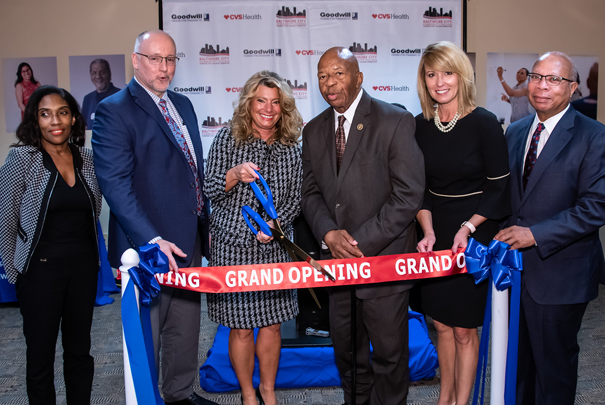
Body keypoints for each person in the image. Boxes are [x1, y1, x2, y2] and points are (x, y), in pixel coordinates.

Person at [92, 31, 215, 405]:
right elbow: (115, 185)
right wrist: (150, 239)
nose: (164, 68)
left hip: (188, 238)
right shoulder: (114, 110)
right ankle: (146, 398)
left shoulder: (184, 105)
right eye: (155, 59)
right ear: (135, 60)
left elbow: (194, 170)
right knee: (149, 331)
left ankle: (179, 394)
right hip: (146, 248)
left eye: (171, 59)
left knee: (185, 325)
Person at [301, 47, 425, 405]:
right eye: (323, 75)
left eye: (338, 73)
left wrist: (356, 243)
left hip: (383, 263)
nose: (329, 83)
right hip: (337, 268)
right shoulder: (313, 130)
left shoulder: (394, 121)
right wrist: (327, 233)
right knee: (348, 356)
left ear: (358, 77)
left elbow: (408, 195)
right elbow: (310, 192)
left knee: (389, 358)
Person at [495, 51, 605, 405]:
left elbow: (595, 206)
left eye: (554, 79)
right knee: (519, 368)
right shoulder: (515, 131)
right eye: (537, 77)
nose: (542, 86)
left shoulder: (594, 136)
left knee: (553, 373)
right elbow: (508, 200)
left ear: (573, 88)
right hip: (514, 277)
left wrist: (534, 234)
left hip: (561, 277)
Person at [414, 41, 510, 405]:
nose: (440, 82)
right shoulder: (419, 125)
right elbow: (417, 189)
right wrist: (427, 230)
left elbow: (500, 188)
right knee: (440, 325)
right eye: (431, 74)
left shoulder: (484, 122)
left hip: (473, 233)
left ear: (462, 75)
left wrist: (468, 228)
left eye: (447, 72)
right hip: (434, 232)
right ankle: (445, 398)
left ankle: (462, 401)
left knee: (464, 330)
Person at [0, 85, 102, 405]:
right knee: (40, 358)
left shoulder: (86, 157)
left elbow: (93, 210)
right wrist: (20, 275)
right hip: (40, 275)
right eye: (45, 114)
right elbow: (5, 223)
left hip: (82, 271)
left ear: (73, 118)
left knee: (80, 353)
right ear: (35, 119)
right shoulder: (21, 158)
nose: (54, 120)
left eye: (62, 112)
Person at [204, 70, 303, 405]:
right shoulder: (227, 137)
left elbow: (295, 199)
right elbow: (210, 189)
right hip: (232, 247)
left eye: (276, 102)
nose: (268, 108)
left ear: (284, 107)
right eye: (261, 100)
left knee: (273, 325)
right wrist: (234, 174)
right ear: (249, 102)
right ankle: (248, 394)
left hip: (275, 248)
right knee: (242, 327)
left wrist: (277, 226)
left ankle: (268, 391)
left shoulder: (292, 147)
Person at [81, 59, 121, 130]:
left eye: (102, 72)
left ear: (109, 73)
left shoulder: (122, 96)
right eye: (94, 73)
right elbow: (85, 126)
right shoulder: (87, 99)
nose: (98, 76)